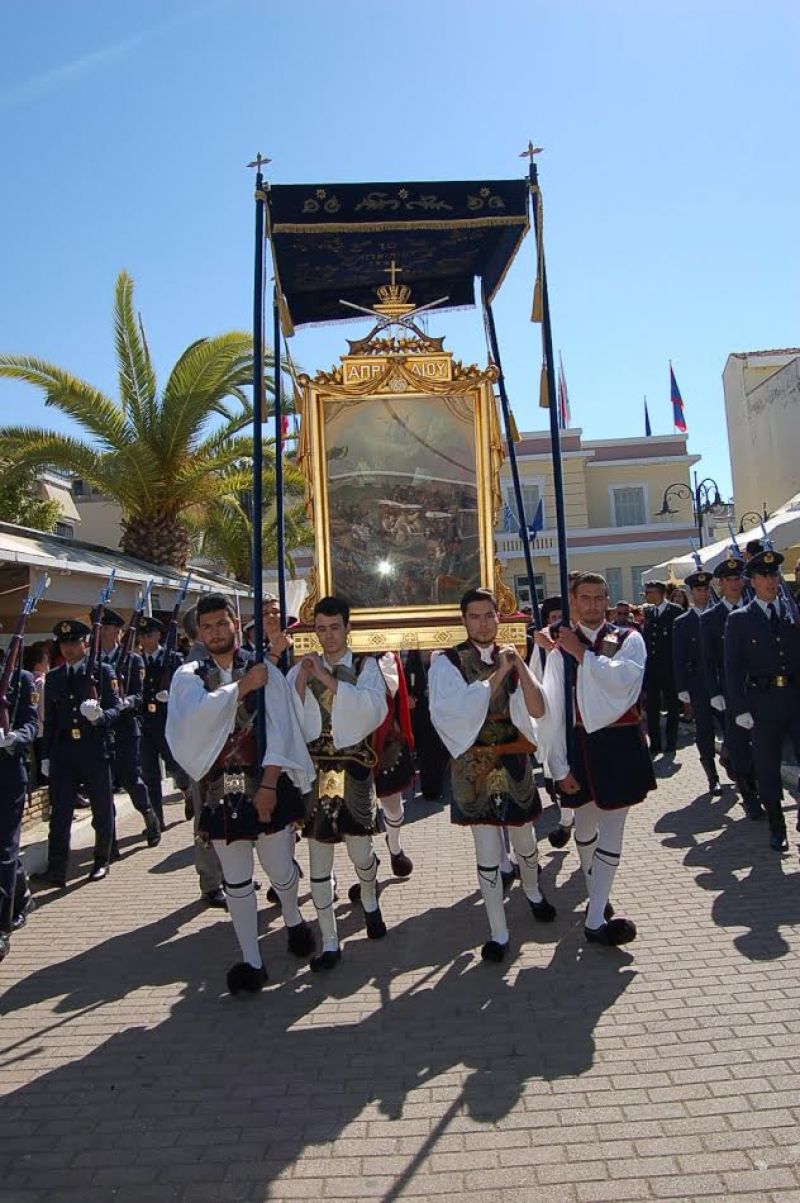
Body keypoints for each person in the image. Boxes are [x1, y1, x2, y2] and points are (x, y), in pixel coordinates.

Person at [167, 593, 316, 994]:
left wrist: (268, 786)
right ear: (199, 633)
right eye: (208, 626)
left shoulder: (262, 667)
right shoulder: (189, 677)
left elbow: (281, 730)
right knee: (236, 877)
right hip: (225, 784)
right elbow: (193, 720)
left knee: (279, 868)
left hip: (265, 775)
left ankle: (292, 917)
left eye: (222, 623)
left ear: (235, 623)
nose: (216, 632)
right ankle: (252, 959)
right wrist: (241, 687)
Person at [429, 587, 554, 965]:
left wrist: (520, 667)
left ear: (499, 618)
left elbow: (538, 709)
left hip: (513, 759)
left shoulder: (511, 655)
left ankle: (532, 891)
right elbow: (456, 712)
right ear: (464, 620)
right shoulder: (447, 662)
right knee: (485, 848)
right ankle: (498, 931)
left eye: (489, 616)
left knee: (525, 839)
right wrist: (499, 673)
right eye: (475, 616)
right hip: (474, 763)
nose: (483, 624)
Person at [538, 573, 656, 946]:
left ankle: (593, 920)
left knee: (613, 828)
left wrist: (582, 655)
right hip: (578, 747)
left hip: (620, 746)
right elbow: (552, 713)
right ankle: (597, 896)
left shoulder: (628, 639)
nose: (592, 605)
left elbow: (624, 683)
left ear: (607, 600)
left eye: (599, 597)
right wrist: (558, 767)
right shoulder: (559, 652)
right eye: (584, 598)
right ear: (573, 602)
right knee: (585, 828)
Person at [287, 596, 389, 971]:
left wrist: (325, 678)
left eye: (334, 628)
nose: (328, 636)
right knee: (318, 857)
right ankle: (329, 941)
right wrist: (302, 679)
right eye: (321, 629)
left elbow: (371, 710)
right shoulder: (303, 666)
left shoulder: (366, 666)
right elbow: (290, 715)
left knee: (360, 851)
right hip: (317, 772)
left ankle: (370, 897)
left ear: (347, 628)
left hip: (354, 766)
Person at [31, 619, 122, 887]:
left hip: (93, 748)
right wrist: (46, 755)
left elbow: (117, 708)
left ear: (85, 643)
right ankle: (56, 869)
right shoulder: (55, 677)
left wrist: (100, 717)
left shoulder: (102, 671)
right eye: (63, 643)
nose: (68, 648)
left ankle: (102, 859)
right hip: (64, 752)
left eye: (73, 642)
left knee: (101, 808)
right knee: (60, 814)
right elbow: (50, 720)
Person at [724, 550, 800, 852]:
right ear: (752, 581)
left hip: (795, 698)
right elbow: (733, 669)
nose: (771, 580)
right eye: (764, 576)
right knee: (768, 768)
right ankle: (777, 826)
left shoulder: (792, 613)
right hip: (763, 703)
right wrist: (740, 708)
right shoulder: (740, 620)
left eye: (774, 575)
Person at [700, 558, 761, 819]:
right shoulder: (711, 618)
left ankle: (757, 785)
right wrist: (714, 692)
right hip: (731, 691)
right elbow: (708, 660)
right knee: (739, 744)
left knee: (761, 743)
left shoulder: (754, 610)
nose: (734, 584)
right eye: (729, 580)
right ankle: (749, 796)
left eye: (738, 579)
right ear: (721, 584)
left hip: (759, 689)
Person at [97, 608, 162, 848]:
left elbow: (140, 694)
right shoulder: (93, 660)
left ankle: (148, 814)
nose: (102, 632)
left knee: (131, 778)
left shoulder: (133, 659)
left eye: (106, 627)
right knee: (103, 784)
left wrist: (128, 701)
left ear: (118, 631)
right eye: (100, 627)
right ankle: (108, 840)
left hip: (126, 726)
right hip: (101, 728)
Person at [0, 658, 39, 962]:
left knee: (4, 849)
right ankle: (22, 894)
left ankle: (1, 926)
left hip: (8, 774)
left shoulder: (19, 678)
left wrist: (14, 738)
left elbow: (31, 724)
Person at [138, 616, 188, 830]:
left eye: (149, 635)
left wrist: (172, 695)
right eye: (142, 636)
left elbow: (185, 686)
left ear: (158, 635)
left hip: (167, 721)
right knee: (150, 774)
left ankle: (187, 791)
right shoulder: (136, 661)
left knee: (175, 766)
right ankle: (157, 822)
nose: (145, 640)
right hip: (145, 722)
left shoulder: (173, 658)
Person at [672, 571, 721, 794]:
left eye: (706, 589)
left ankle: (731, 761)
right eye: (699, 590)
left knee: (732, 726)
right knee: (705, 729)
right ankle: (712, 775)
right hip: (698, 682)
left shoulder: (719, 615)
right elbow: (678, 657)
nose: (703, 593)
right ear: (691, 593)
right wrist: (682, 687)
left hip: (721, 680)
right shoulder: (682, 622)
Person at [642, 580, 683, 755]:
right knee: (652, 708)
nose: (646, 596)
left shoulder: (675, 611)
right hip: (652, 669)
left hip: (670, 668)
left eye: (649, 592)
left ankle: (671, 742)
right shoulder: (649, 612)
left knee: (673, 706)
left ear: (660, 593)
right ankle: (655, 743)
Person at [404, 649, 449, 802]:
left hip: (441, 709)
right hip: (422, 711)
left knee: (441, 751)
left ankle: (441, 786)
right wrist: (408, 697)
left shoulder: (443, 655)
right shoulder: (413, 659)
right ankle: (430, 790)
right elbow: (406, 682)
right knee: (426, 752)